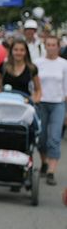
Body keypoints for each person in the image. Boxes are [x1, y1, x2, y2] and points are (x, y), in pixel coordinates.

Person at [34, 36, 67, 185]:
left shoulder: (64, 64)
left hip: (58, 104)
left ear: (58, 47)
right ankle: (44, 162)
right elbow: (33, 84)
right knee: (41, 138)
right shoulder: (38, 63)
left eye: (54, 45)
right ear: (45, 46)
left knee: (54, 138)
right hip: (41, 103)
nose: (51, 47)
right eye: (48, 44)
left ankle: (51, 172)